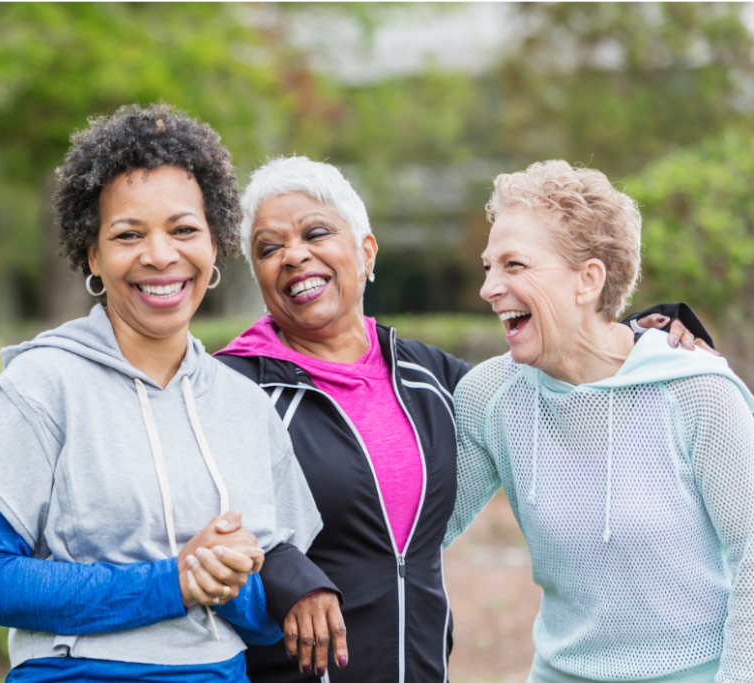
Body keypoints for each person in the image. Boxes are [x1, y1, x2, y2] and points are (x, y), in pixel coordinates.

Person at [213, 156, 709, 683]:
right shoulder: (229, 387)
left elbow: (552, 383)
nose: (293, 255)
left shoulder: (429, 377)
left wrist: (640, 333)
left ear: (366, 252)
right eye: (268, 248)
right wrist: (286, 570)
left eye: (316, 232)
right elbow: (194, 514)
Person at [0, 105, 325, 682]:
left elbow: (264, 616)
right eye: (128, 235)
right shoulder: (42, 384)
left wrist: (231, 580)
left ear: (215, 243)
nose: (161, 256)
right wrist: (174, 581)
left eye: (183, 229)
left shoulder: (245, 406)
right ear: (93, 254)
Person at [445, 160, 754, 683]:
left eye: (514, 265)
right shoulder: (489, 395)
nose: (488, 288)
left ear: (587, 280)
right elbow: (416, 532)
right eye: (488, 267)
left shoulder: (697, 392)